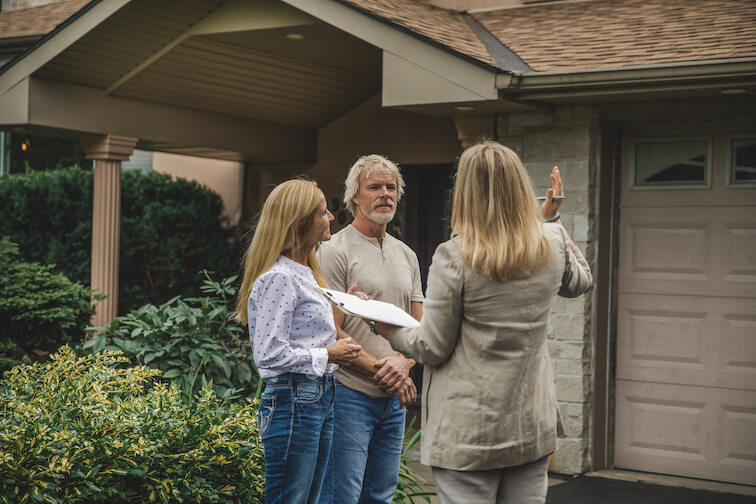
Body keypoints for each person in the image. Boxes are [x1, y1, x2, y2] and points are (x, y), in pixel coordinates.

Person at [371, 141, 593, 504]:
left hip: (469, 432)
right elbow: (582, 280)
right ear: (522, 189)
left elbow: (431, 346)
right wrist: (551, 220)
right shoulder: (551, 240)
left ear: (466, 193)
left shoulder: (455, 256)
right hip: (530, 427)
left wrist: (385, 327)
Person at [234, 178, 362, 504]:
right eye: (322, 212)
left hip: (316, 395)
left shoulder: (306, 272)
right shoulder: (281, 277)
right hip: (295, 397)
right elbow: (269, 354)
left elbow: (310, 331)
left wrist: (348, 307)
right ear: (299, 222)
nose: (331, 216)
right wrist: (329, 354)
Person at [318, 155, 424, 504]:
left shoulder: (407, 255)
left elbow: (418, 325)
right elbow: (332, 331)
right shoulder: (334, 250)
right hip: (350, 395)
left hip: (393, 400)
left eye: (391, 187)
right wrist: (388, 372)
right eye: (374, 187)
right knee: (342, 496)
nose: (385, 194)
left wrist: (404, 365)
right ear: (355, 198)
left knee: (381, 496)